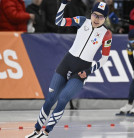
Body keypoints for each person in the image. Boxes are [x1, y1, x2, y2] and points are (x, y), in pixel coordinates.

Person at [25, 1, 112, 138]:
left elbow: (104, 58)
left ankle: (46, 132)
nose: (97, 19)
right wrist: (63, 4)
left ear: (105, 18)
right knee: (50, 99)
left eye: (101, 17)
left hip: (82, 70)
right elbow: (59, 22)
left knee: (63, 98)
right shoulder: (82, 21)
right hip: (66, 63)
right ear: (91, 14)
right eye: (95, 15)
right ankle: (36, 130)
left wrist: (89, 71)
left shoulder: (106, 34)